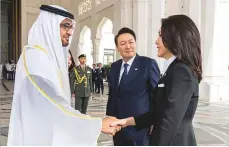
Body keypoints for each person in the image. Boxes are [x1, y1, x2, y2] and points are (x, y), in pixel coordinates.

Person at [7, 5, 120, 146]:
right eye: (65, 26)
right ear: (49, 26)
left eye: (71, 27)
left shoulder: (46, 59)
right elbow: (52, 103)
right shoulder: (34, 58)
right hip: (38, 136)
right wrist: (96, 124)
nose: (70, 32)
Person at [111, 15, 202, 146]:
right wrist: (126, 122)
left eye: (160, 35)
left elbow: (169, 121)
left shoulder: (181, 72)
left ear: (174, 37)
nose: (156, 41)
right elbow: (158, 114)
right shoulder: (173, 69)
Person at [106, 27, 160, 146]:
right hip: (119, 128)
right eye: (123, 43)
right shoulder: (114, 67)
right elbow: (113, 94)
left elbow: (156, 96)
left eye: (131, 42)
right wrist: (110, 118)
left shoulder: (147, 64)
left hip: (139, 128)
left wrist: (154, 123)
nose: (128, 46)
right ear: (117, 48)